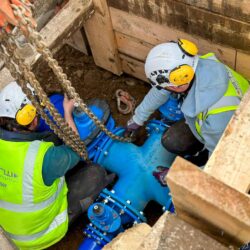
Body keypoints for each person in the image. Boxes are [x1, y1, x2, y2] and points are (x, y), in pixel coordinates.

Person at [0, 82, 114, 249]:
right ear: (31, 120)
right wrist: (67, 113)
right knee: (95, 174)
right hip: (41, 235)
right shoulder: (41, 158)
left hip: (14, 229)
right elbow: (76, 147)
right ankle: (72, 216)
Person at [126, 39, 249, 185]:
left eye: (167, 87)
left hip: (235, 142)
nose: (163, 89)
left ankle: (199, 156)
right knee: (172, 138)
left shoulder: (218, 119)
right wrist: (138, 118)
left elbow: (220, 165)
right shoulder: (198, 65)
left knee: (174, 142)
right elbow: (160, 90)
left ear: (179, 83)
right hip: (220, 122)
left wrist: (175, 177)